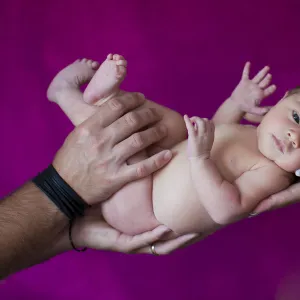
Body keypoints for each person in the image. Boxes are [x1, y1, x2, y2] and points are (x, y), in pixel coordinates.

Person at [49, 53, 295, 251]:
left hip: (141, 209)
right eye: (296, 117)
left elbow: (226, 210)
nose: (294, 136)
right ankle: (107, 99)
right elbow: (217, 130)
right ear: (281, 100)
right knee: (174, 125)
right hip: (161, 163)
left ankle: (64, 93)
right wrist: (236, 103)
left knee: (120, 141)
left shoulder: (273, 173)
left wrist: (200, 158)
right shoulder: (250, 133)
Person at [0, 91, 198, 280]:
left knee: (143, 133)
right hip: (150, 205)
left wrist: (70, 219)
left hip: (145, 197)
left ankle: (86, 97)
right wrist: (61, 190)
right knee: (158, 131)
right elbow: (226, 209)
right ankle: (89, 96)